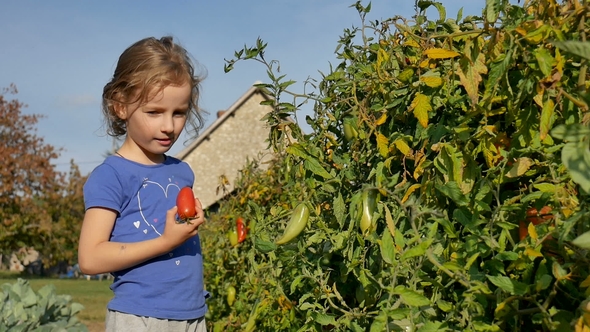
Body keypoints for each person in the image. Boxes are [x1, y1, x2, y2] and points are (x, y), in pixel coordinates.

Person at [78, 36, 209, 332]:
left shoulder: (182, 173)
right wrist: (166, 242)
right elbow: (90, 258)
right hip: (140, 318)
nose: (168, 126)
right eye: (154, 112)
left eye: (179, 113)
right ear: (120, 106)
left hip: (192, 313)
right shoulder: (111, 175)